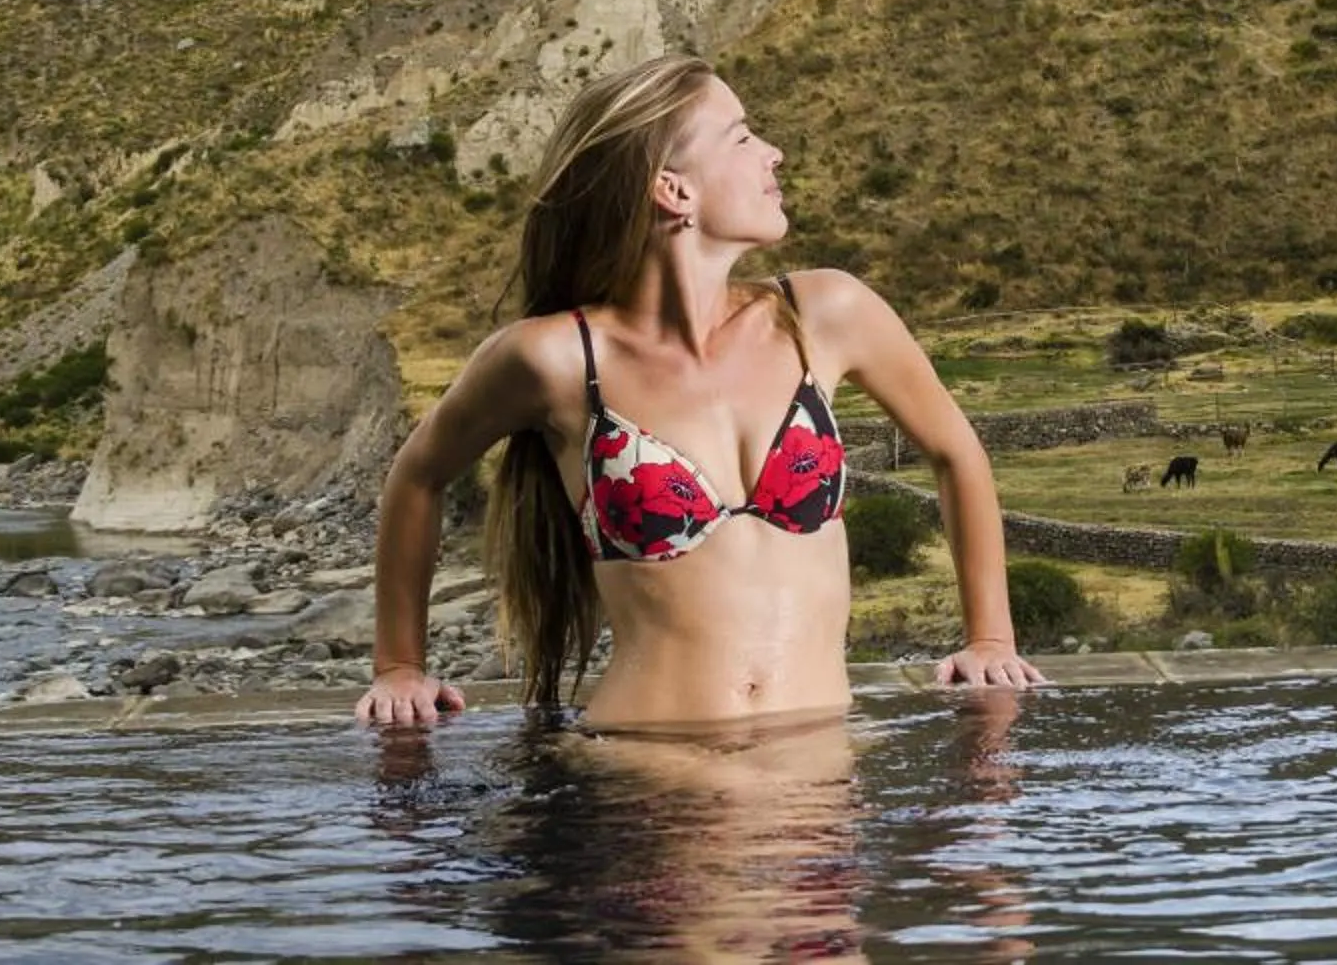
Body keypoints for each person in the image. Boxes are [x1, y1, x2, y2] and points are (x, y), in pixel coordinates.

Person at [357, 54, 1045, 730]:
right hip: (646, 775)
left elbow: (955, 450)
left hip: (815, 772)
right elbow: (419, 474)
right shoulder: (558, 359)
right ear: (673, 190)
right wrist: (398, 666)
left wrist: (990, 640)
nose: (773, 153)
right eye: (743, 138)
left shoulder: (826, 314)